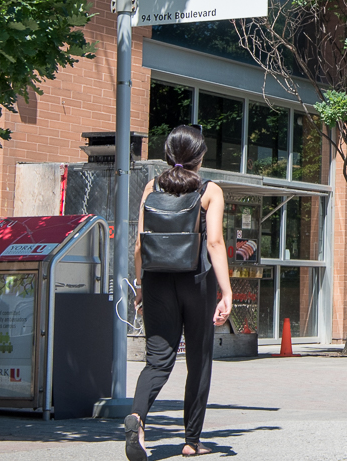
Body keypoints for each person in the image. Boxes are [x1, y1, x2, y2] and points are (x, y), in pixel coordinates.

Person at [126, 125, 235, 460]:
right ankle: (192, 440)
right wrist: (226, 292)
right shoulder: (209, 190)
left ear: (168, 155)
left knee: (158, 360)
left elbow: (139, 245)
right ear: (200, 157)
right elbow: (215, 242)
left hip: (157, 280)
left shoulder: (151, 187)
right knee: (199, 360)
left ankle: (137, 417)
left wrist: (141, 286)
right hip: (196, 280)